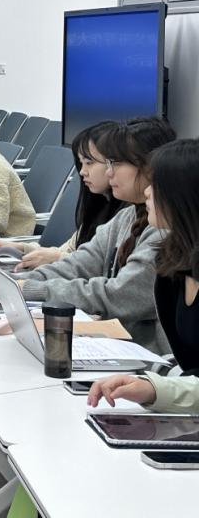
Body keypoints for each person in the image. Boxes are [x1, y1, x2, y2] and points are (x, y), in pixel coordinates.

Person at [16, 117, 176, 354]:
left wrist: (35, 289)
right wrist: (22, 283)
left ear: (149, 167)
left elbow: (119, 295)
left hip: (144, 357)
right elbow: (80, 263)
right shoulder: (128, 215)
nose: (109, 173)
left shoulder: (164, 229)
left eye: (116, 163)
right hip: (115, 342)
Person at [88, 138, 199, 412]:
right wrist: (151, 379)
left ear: (184, 195)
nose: (147, 192)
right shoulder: (174, 262)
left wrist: (155, 388)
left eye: (157, 185)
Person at [0, 121, 126, 271]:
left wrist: (56, 258)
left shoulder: (127, 218)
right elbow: (67, 251)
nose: (82, 172)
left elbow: (106, 274)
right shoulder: (99, 206)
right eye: (81, 163)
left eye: (89, 163)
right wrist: (20, 248)